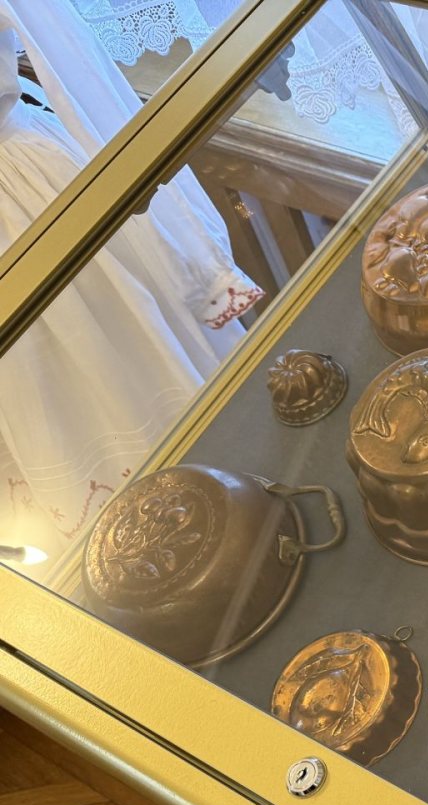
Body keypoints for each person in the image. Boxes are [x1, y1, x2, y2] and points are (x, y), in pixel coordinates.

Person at [0, 0, 261, 570]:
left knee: (117, 364)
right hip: (29, 202)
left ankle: (216, 535)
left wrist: (198, 263)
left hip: (28, 203)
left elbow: (79, 70)